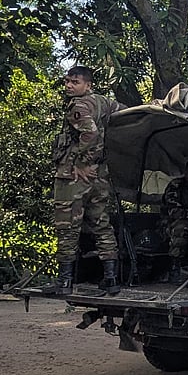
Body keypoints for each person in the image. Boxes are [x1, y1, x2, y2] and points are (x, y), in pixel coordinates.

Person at [51, 66, 123, 296]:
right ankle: (111, 278)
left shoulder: (78, 105)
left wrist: (82, 162)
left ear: (87, 85)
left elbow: (89, 133)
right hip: (99, 177)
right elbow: (124, 113)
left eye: (75, 82)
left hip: (74, 178)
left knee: (66, 227)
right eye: (67, 81)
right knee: (101, 224)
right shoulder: (103, 102)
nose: (69, 86)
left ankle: (64, 282)